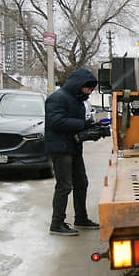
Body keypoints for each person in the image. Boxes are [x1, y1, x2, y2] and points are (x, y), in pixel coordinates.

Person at [45, 68, 101, 236]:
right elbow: (56, 122)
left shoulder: (76, 99)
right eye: (88, 88)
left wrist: (92, 129)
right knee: (64, 186)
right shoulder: (58, 98)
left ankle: (81, 218)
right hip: (60, 149)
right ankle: (57, 223)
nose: (89, 92)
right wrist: (82, 125)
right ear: (79, 84)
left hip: (73, 147)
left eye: (91, 89)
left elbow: (77, 123)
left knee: (81, 183)